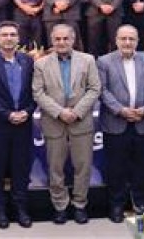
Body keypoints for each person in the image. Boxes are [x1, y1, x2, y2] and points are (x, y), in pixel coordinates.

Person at [32, 24, 101, 224]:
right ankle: (60, 206)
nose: (61, 42)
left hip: (81, 121)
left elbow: (94, 88)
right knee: (55, 167)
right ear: (52, 40)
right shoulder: (41, 64)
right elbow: (38, 92)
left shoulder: (88, 60)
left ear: (73, 39)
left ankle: (79, 205)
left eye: (65, 39)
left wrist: (77, 112)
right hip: (54, 121)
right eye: (57, 39)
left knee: (83, 166)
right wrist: (60, 112)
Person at [0, 21, 35, 229]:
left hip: (23, 123)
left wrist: (27, 111)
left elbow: (35, 91)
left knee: (21, 169)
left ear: (18, 38)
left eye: (12, 34)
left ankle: (20, 209)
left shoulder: (28, 61)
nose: (8, 38)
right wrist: (7, 114)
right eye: (4, 35)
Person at [97, 25, 144, 222]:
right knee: (116, 167)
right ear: (116, 40)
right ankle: (117, 205)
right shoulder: (104, 62)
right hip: (115, 122)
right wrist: (121, 110)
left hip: (142, 122)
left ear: (138, 41)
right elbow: (102, 91)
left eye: (131, 39)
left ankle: (140, 203)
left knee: (141, 166)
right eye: (123, 38)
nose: (127, 42)